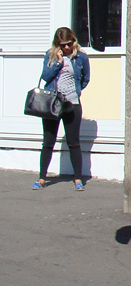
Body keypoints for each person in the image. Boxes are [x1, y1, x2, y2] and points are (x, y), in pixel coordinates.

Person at [34, 27, 90, 191]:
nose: (66, 48)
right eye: (62, 45)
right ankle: (42, 178)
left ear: (74, 41)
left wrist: (75, 91)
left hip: (72, 103)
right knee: (48, 142)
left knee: (73, 143)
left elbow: (86, 79)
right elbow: (46, 76)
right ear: (57, 45)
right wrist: (58, 62)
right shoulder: (50, 55)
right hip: (53, 103)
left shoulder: (81, 58)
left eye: (68, 44)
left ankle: (78, 179)